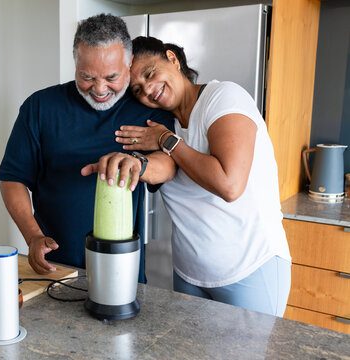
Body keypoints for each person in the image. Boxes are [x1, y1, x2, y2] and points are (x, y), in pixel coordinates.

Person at [81, 36, 292, 317]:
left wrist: (168, 141)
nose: (148, 90)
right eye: (138, 89)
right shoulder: (160, 123)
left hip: (250, 269)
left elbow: (229, 184)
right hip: (189, 275)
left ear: (172, 58)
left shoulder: (223, 97)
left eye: (150, 73)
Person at [0, 17, 174, 280]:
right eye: (86, 77)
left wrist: (138, 163)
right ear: (76, 64)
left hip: (123, 272)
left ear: (129, 63)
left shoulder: (148, 109)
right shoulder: (39, 107)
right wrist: (33, 236)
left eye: (111, 77)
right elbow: (13, 179)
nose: (100, 89)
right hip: (55, 269)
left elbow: (168, 165)